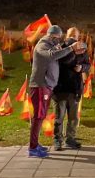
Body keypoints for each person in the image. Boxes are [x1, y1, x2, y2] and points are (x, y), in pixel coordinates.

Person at [28, 25, 84, 158]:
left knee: (40, 117)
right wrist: (70, 48)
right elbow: (52, 56)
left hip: (47, 86)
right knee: (38, 117)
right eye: (57, 38)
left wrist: (73, 53)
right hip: (40, 85)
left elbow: (60, 56)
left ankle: (35, 145)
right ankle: (32, 148)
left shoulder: (50, 45)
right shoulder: (42, 45)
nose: (59, 41)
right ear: (53, 36)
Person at [53, 27, 90, 151]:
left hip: (75, 88)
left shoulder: (82, 49)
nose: (73, 37)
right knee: (59, 116)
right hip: (61, 87)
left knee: (73, 117)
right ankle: (58, 140)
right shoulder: (61, 47)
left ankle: (70, 139)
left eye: (76, 35)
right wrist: (72, 51)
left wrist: (82, 68)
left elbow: (87, 64)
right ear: (67, 35)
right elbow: (61, 61)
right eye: (71, 35)